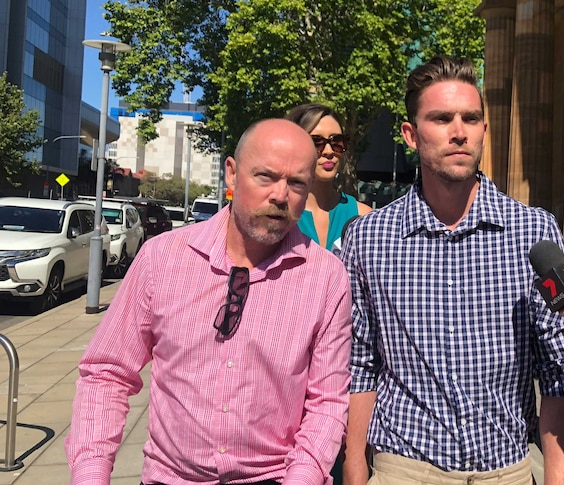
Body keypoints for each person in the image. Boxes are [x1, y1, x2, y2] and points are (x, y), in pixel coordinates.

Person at [66, 118, 353, 485]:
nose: (281, 196)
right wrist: (90, 473)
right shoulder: (163, 258)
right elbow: (106, 374)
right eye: (265, 176)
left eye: (296, 182)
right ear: (231, 174)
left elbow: (328, 401)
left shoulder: (326, 277)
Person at [340, 56, 564, 485]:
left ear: (485, 131)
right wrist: (356, 469)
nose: (459, 132)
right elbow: (361, 363)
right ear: (410, 135)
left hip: (506, 469)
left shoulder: (534, 231)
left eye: (471, 118)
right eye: (441, 118)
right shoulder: (368, 238)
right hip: (403, 468)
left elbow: (560, 369)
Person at [286, 103, 372, 256]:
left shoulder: (364, 217)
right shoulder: (278, 215)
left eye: (336, 142)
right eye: (316, 142)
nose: (329, 151)